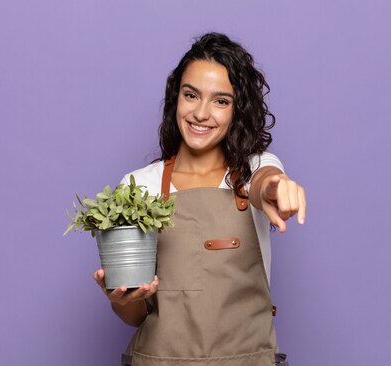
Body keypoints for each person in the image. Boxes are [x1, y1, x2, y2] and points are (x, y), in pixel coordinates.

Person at [93, 32, 306, 366]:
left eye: (221, 101)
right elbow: (135, 315)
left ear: (238, 110)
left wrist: (276, 189)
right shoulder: (138, 186)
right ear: (176, 97)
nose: (201, 113)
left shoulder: (255, 169)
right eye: (191, 95)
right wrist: (121, 299)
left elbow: (267, 182)